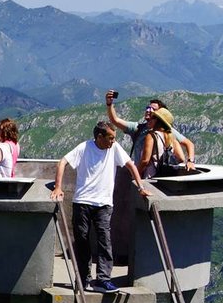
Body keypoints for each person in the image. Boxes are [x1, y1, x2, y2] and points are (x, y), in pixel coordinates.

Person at [53, 122, 150, 293]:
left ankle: (103, 279)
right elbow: (62, 162)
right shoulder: (84, 148)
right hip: (82, 201)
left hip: (104, 203)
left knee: (104, 240)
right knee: (82, 241)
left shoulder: (114, 148)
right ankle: (83, 279)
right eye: (110, 138)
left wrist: (141, 187)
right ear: (99, 137)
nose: (113, 141)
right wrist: (58, 187)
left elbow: (130, 165)